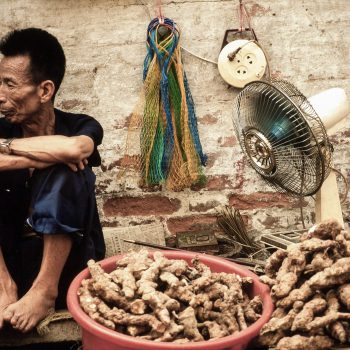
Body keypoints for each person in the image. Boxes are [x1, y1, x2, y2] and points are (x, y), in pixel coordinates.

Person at [0, 28, 105, 332]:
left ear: (45, 91)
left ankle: (44, 291)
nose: (1, 95)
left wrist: (6, 153)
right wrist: (43, 152)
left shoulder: (80, 125)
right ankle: (4, 287)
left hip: (67, 264)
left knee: (68, 170)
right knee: (62, 161)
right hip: (11, 259)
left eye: (10, 84)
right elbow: (64, 151)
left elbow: (74, 148)